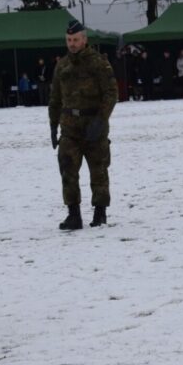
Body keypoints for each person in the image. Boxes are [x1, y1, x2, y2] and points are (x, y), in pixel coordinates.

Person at [49, 21, 117, 230]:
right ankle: (73, 214)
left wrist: (101, 119)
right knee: (67, 169)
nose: (72, 44)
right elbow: (55, 98)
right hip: (70, 127)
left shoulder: (98, 63)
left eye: (76, 40)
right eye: (69, 40)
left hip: (93, 125)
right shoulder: (62, 66)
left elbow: (111, 93)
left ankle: (100, 213)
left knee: (98, 170)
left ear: (84, 40)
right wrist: (53, 125)